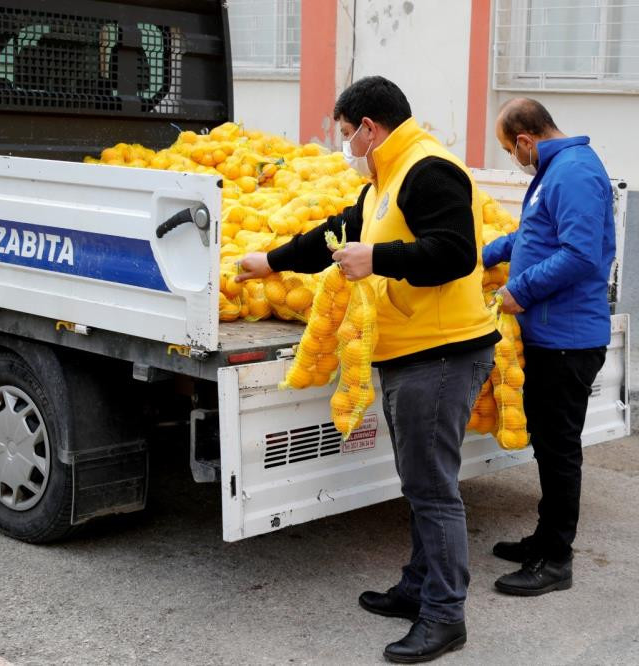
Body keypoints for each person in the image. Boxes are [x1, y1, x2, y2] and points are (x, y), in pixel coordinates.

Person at [236, 76, 499, 663]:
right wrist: (270, 261)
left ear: (370, 128)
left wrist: (377, 259)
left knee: (433, 490)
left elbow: (457, 255)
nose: (346, 147)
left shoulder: (431, 170)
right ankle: (417, 587)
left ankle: (444, 616)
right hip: (413, 351)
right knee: (419, 483)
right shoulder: (389, 176)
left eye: (347, 135)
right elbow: (338, 232)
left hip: (442, 353)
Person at [483, 98, 616, 596]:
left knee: (560, 452)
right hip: (550, 337)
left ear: (525, 140)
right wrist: (485, 254)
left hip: (568, 340)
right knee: (549, 447)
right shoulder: (558, 171)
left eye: (508, 150)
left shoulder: (575, 172)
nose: (512, 159)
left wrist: (521, 290)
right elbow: (534, 236)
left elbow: (580, 256)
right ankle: (544, 538)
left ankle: (557, 560)